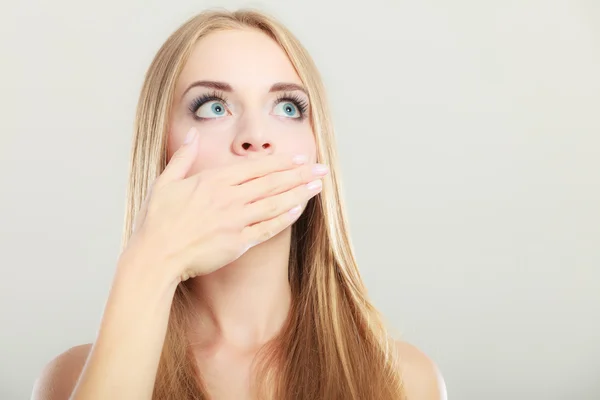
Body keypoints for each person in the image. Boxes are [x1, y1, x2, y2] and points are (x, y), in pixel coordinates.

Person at [32, 8, 446, 400]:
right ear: (160, 149)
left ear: (318, 147)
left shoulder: (403, 378)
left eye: (288, 108)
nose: (256, 136)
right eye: (214, 107)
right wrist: (148, 263)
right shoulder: (71, 379)